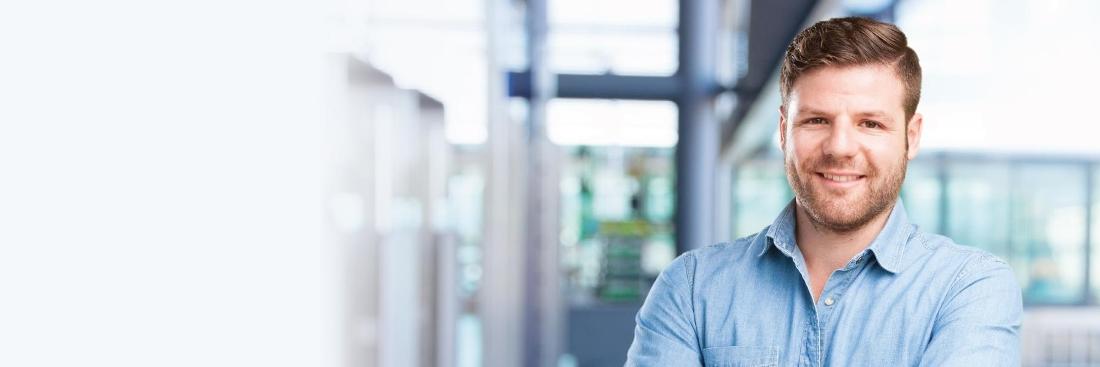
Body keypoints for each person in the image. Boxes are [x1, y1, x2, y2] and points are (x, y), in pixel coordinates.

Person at [625, 17, 1021, 366]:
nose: (840, 147)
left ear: (911, 136)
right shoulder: (692, 288)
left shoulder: (968, 289)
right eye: (817, 120)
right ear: (783, 131)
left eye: (870, 124)